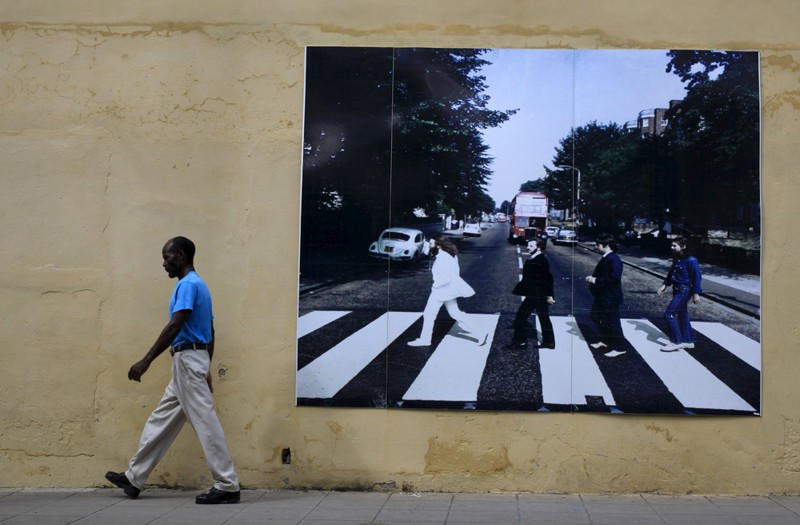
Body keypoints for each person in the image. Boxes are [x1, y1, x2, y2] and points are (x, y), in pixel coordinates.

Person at [105, 237, 240, 504]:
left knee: (206, 422)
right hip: (191, 360)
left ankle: (227, 485)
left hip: (188, 360)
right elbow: (210, 331)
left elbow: (175, 325)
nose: (164, 263)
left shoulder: (187, 285)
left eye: (167, 257)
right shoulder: (199, 285)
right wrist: (207, 367)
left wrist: (146, 360)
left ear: (180, 256)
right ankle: (134, 477)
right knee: (161, 419)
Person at [408, 237, 486, 347]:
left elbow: (447, 277)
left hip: (440, 291)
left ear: (438, 245)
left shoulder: (443, 258)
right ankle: (480, 332)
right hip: (448, 290)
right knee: (455, 313)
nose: (429, 245)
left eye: (431, 243)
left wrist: (435, 286)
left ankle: (425, 339)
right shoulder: (448, 255)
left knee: (429, 314)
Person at [657, 237, 703, 352]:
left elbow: (697, 277)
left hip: (684, 290)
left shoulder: (691, 260)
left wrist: (696, 293)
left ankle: (676, 341)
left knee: (669, 314)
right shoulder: (677, 258)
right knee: (683, 314)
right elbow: (671, 273)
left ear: (683, 247)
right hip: (677, 289)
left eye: (674, 246)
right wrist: (665, 285)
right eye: (672, 245)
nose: (671, 247)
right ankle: (688, 340)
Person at [585, 234, 626, 358]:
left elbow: (614, 279)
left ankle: (620, 347)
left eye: (598, 245)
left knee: (613, 321)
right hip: (603, 295)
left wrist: (594, 280)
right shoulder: (607, 257)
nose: (596, 247)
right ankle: (606, 340)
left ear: (606, 245)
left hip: (610, 296)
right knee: (596, 316)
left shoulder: (614, 259)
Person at [511, 239, 556, 349]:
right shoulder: (536, 258)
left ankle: (520, 341)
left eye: (531, 245)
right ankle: (549, 342)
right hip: (536, 294)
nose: (528, 247)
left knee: (521, 316)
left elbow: (548, 279)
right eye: (528, 245)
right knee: (543, 318)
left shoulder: (541, 260)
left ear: (539, 247)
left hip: (537, 294)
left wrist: (550, 295)